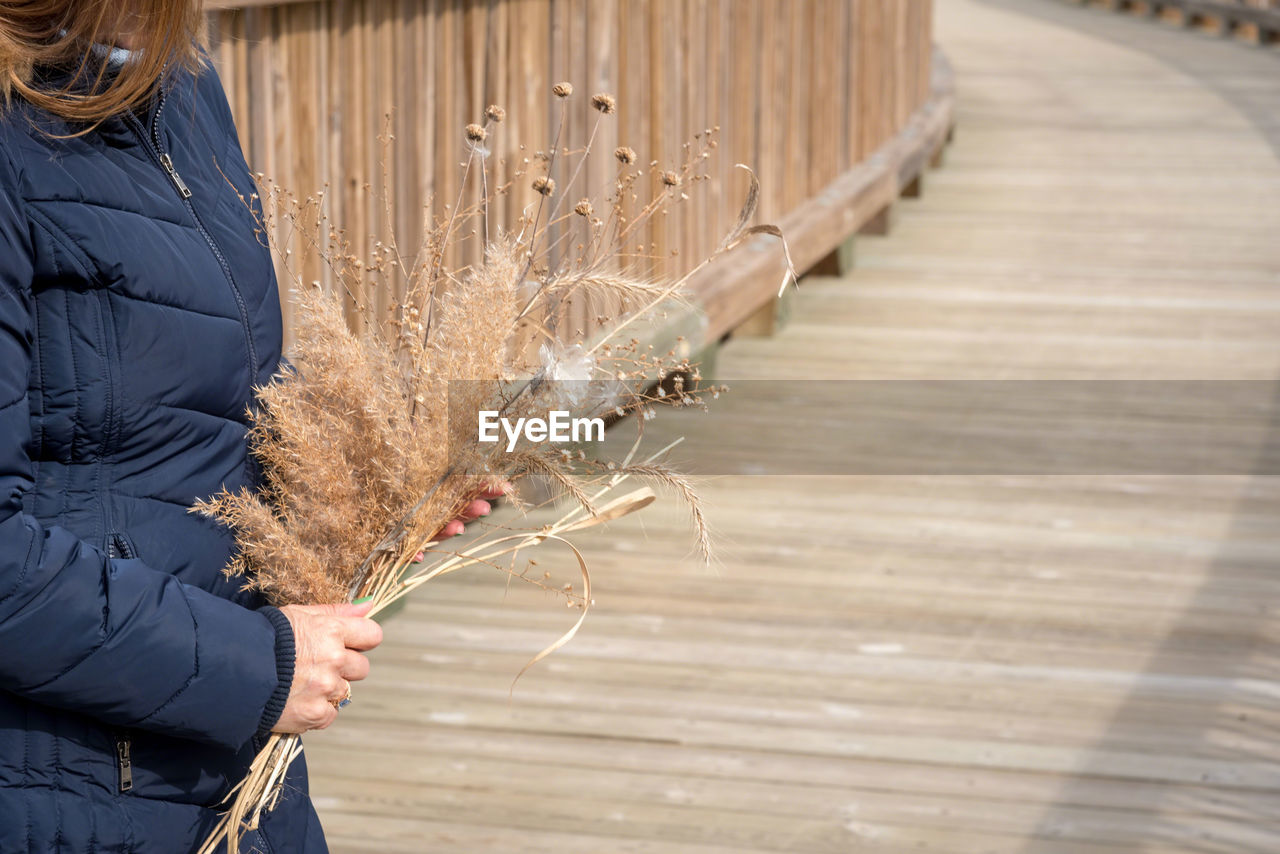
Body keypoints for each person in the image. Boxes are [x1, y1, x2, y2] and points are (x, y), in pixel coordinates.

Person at [0, 2, 495, 850]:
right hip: (66, 786)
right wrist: (255, 666)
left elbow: (197, 417)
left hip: (223, 761)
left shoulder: (174, 85)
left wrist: (379, 495)